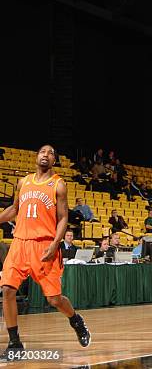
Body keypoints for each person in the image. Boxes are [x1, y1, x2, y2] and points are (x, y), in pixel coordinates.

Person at [0, 145, 90, 357]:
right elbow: (14, 209)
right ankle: (15, 343)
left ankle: (76, 320)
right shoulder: (23, 182)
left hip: (44, 245)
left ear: (54, 160)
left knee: (54, 299)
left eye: (50, 153)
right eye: (42, 152)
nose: (45, 155)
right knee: (7, 290)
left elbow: (63, 218)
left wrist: (55, 243)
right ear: (36, 157)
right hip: (20, 243)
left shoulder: (58, 184)